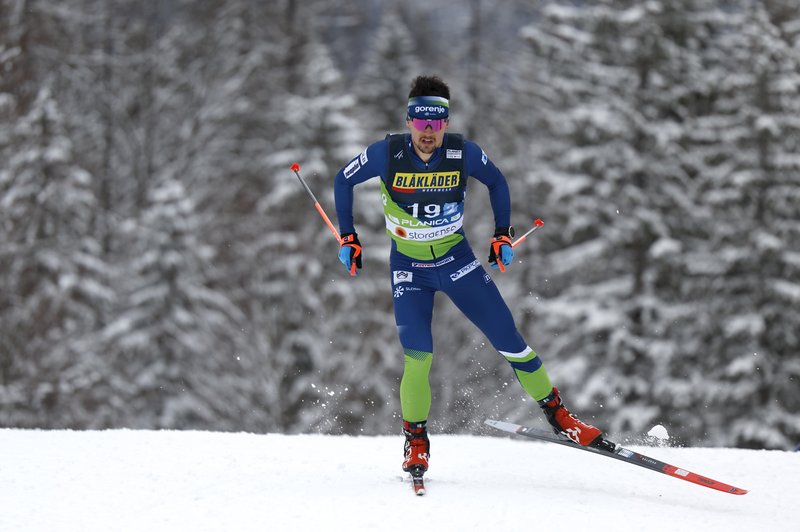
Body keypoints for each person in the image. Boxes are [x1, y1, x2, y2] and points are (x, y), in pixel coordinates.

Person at [333, 75, 602, 476]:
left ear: (446, 122)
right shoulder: (386, 153)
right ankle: (416, 442)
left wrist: (501, 234)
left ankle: (560, 417)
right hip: (409, 269)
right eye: (421, 122)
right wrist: (349, 235)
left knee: (511, 341)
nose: (428, 132)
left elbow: (497, 181)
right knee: (418, 356)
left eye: (437, 122)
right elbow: (343, 179)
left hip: (457, 262)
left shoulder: (463, 153)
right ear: (409, 120)